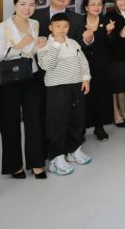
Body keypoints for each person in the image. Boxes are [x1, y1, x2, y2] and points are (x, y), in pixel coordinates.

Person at [0, 0, 46, 179]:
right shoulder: (2, 28)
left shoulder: (35, 23)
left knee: (34, 120)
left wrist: (40, 43)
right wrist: (20, 45)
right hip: (9, 80)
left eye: (31, 4)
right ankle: (14, 166)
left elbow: (32, 51)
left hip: (31, 76)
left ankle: (37, 163)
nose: (27, 8)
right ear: (15, 5)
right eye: (23, 4)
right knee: (10, 122)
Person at [38, 13, 92, 177]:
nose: (62, 29)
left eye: (65, 26)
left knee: (77, 119)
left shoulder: (74, 43)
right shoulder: (45, 44)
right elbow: (46, 65)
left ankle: (73, 150)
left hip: (76, 85)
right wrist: (56, 44)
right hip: (57, 88)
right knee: (58, 122)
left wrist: (86, 78)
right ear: (51, 27)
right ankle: (56, 158)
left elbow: (83, 62)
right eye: (58, 26)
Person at [81, 0, 114, 142]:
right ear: (86, 6)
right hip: (83, 64)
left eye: (99, 4)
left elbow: (112, 45)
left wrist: (109, 32)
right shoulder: (79, 21)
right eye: (93, 4)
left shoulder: (106, 21)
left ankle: (99, 127)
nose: (96, 7)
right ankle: (81, 128)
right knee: (83, 96)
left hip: (101, 64)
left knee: (100, 96)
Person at [106, 0, 125, 127]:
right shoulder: (110, 15)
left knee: (124, 86)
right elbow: (106, 40)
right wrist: (118, 35)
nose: (123, 2)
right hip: (115, 56)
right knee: (116, 85)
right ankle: (116, 114)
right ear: (115, 1)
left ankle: (123, 112)